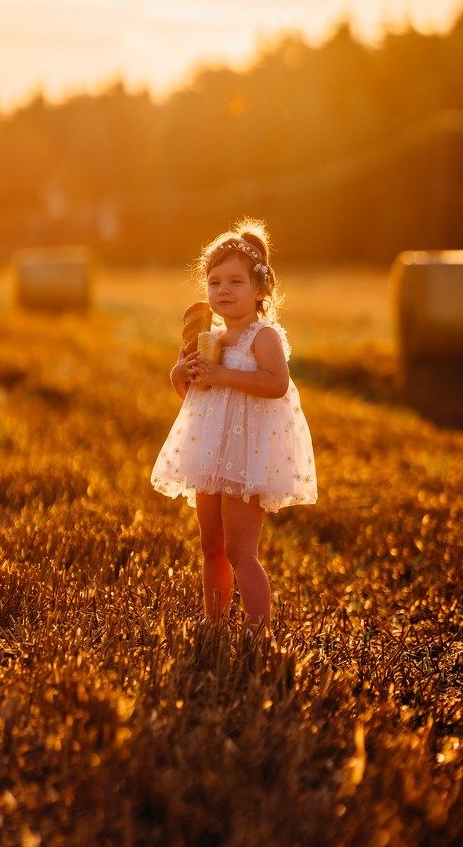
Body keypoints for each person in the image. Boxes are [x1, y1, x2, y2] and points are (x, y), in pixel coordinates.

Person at [150, 218, 317, 635]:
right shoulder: (209, 338)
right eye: (214, 282)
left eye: (235, 282)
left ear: (260, 289)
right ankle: (215, 622)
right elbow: (195, 398)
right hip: (209, 452)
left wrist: (223, 374)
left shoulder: (263, 337)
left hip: (247, 456)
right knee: (211, 546)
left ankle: (258, 631)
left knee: (240, 549)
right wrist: (180, 373)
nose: (223, 290)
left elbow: (276, 385)